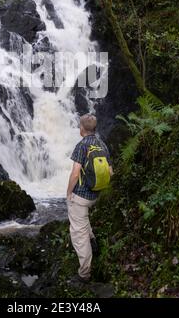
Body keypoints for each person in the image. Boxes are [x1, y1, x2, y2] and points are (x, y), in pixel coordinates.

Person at [66, 113, 113, 283]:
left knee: (78, 233)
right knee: (83, 220)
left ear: (82, 129)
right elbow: (110, 172)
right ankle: (93, 242)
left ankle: (84, 273)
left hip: (81, 196)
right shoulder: (103, 145)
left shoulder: (82, 146)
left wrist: (68, 193)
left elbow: (75, 173)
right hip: (97, 194)